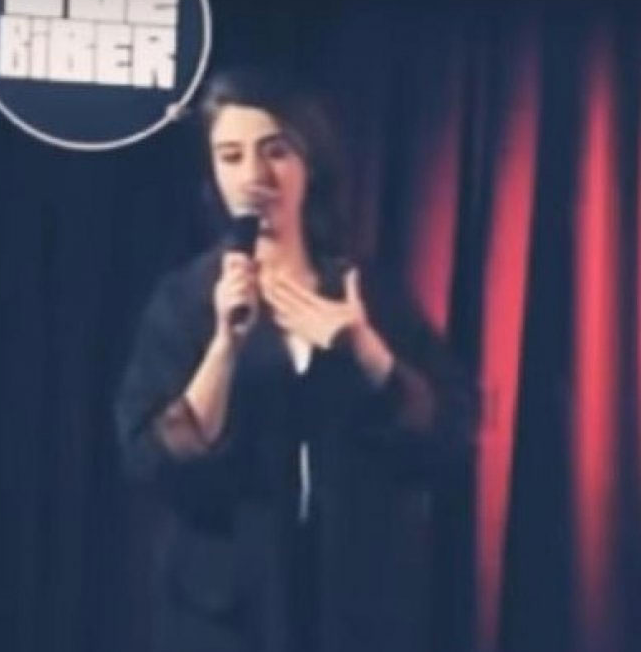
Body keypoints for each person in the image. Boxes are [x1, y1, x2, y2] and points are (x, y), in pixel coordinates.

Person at [114, 67, 477, 652]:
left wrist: (367, 350)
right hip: (224, 614)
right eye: (231, 156)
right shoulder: (185, 299)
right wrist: (224, 347)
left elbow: (448, 436)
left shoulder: (367, 291)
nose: (254, 177)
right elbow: (153, 460)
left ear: (311, 163)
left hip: (354, 608)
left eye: (276, 151)